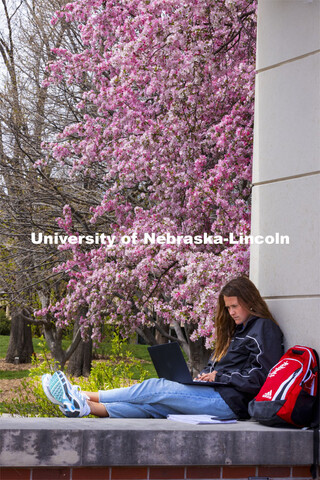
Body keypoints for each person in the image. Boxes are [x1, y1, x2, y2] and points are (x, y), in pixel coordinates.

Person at [42, 276, 284, 419]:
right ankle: (85, 408)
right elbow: (226, 369)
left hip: (230, 402)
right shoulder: (237, 332)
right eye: (228, 308)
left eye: (235, 306)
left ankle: (82, 394)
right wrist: (207, 375)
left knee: (156, 387)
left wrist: (219, 375)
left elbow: (264, 377)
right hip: (216, 394)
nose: (231, 313)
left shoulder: (264, 329)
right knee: (154, 407)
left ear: (250, 301)